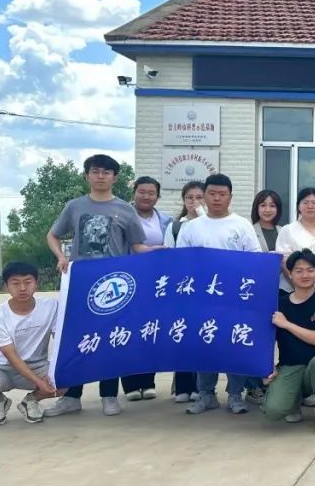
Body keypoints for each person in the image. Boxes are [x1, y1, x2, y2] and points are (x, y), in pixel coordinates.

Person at [44, 154, 149, 418]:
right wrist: (61, 257)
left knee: (111, 339)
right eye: (95, 171)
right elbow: (53, 235)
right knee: (77, 338)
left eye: (106, 172)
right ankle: (71, 397)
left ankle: (109, 395)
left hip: (114, 286)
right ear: (87, 176)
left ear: (115, 177)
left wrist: (162, 252)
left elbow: (137, 246)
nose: (100, 176)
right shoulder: (74, 206)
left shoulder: (126, 209)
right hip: (81, 283)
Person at [177, 173, 263, 415]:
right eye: (212, 193)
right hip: (202, 299)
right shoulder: (191, 227)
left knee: (234, 344)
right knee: (206, 343)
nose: (217, 198)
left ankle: (235, 395)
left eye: (222, 194)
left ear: (230, 197)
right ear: (204, 196)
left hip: (234, 298)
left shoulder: (241, 225)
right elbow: (181, 261)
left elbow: (255, 258)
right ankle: (206, 394)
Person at [0, 262, 61, 425]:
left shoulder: (51, 307)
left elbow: (59, 341)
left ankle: (30, 401)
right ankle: (0, 402)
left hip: (37, 365)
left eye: (28, 282)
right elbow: (12, 357)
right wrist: (39, 382)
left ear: (36, 283)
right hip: (3, 367)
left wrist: (56, 370)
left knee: (66, 380)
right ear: (6, 286)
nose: (22, 288)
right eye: (15, 283)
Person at [263, 250, 315, 436]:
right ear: (289, 274)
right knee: (273, 411)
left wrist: (287, 324)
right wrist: (266, 368)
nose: (305, 275)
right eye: (299, 271)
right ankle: (294, 401)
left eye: (310, 270)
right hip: (290, 366)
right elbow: (265, 340)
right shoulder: (279, 304)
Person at [121, 176, 172, 403]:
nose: (146, 196)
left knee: (151, 330)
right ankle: (131, 383)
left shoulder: (166, 220)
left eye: (151, 193)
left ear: (157, 197)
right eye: (142, 192)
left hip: (155, 282)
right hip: (129, 280)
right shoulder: (122, 216)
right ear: (134, 193)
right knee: (129, 331)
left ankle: (148, 382)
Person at [163, 180, 205, 403]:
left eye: (199, 197)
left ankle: (200, 386)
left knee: (202, 336)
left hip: (206, 289)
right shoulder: (175, 227)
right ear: (183, 200)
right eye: (190, 198)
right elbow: (169, 257)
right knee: (181, 334)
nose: (194, 202)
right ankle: (182, 386)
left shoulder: (210, 224)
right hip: (182, 289)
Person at [246, 189, 284, 406]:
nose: (267, 209)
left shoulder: (284, 231)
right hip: (256, 294)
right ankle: (253, 387)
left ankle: (275, 383)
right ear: (256, 208)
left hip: (281, 291)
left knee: (278, 340)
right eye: (263, 205)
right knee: (255, 340)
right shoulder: (249, 231)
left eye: (272, 205)